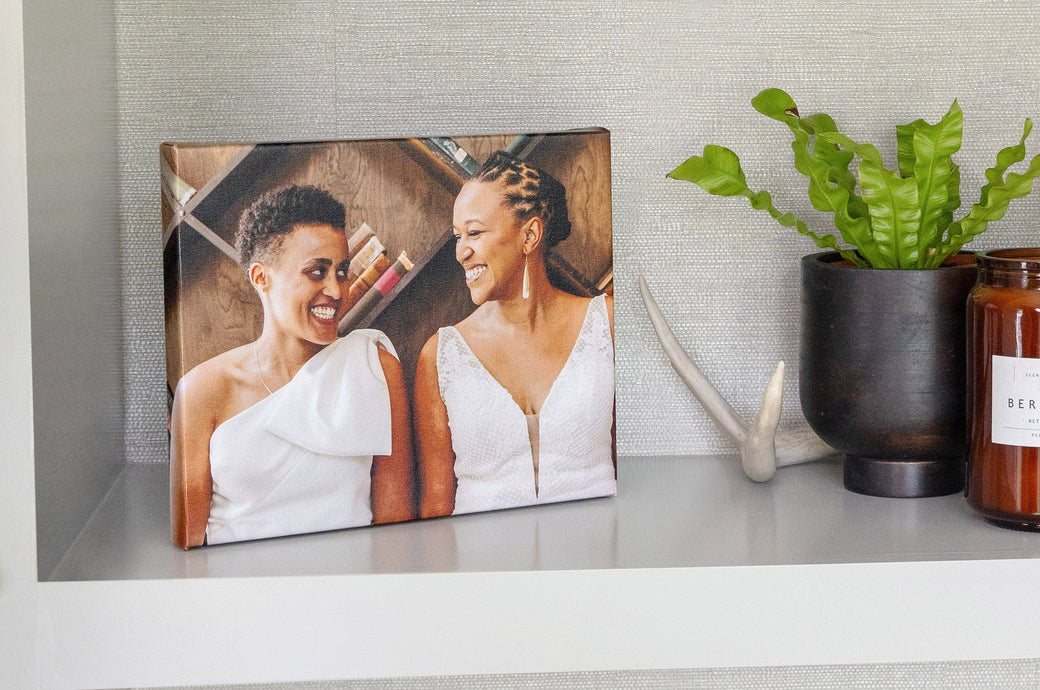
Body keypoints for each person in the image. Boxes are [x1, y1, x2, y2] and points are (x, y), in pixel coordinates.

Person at [169, 185, 414, 548]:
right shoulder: (202, 391)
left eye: (341, 271)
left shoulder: (373, 368)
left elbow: (396, 528)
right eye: (317, 272)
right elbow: (187, 545)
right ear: (261, 277)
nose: (337, 290)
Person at [414, 151, 616, 517]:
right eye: (458, 236)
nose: (461, 252)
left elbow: (635, 465)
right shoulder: (441, 356)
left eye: (474, 232)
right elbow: (437, 505)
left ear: (530, 235)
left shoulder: (607, 324)